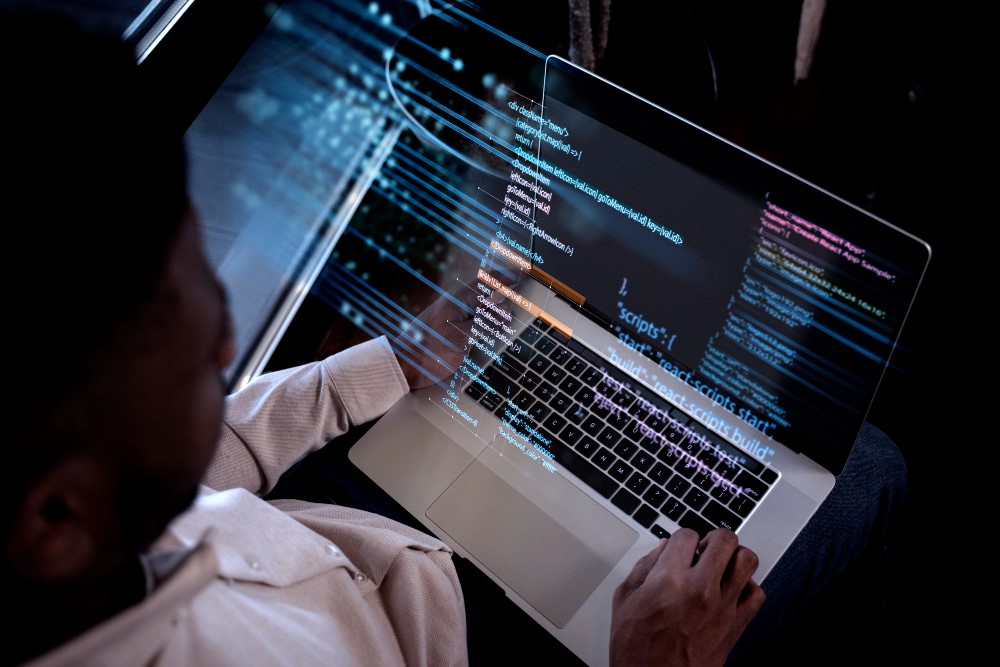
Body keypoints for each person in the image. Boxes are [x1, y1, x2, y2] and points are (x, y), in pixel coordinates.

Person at [3, 7, 908, 667]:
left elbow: (211, 463)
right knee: (868, 467)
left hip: (343, 537)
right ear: (56, 520)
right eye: (181, 345)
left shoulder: (53, 507)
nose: (220, 346)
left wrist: (390, 362)